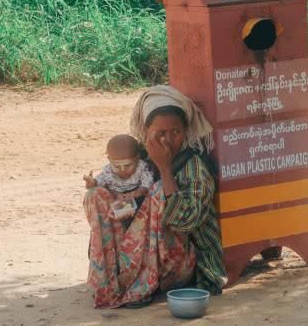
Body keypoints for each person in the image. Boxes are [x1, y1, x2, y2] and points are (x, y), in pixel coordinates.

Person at [83, 85, 227, 309]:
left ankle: (140, 286)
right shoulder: (139, 161)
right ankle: (110, 281)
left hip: (182, 266)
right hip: (137, 255)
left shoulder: (195, 167)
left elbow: (185, 222)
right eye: (160, 133)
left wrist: (165, 169)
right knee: (96, 195)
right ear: (146, 132)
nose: (168, 140)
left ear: (186, 132)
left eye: (176, 132)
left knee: (160, 191)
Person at [83, 134, 153, 227]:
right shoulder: (108, 171)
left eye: (127, 165)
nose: (122, 169)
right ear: (109, 160)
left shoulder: (142, 167)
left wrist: (130, 196)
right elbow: (98, 182)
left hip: (136, 200)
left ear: (137, 159)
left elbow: (146, 186)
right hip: (115, 201)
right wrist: (91, 183)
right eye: (117, 166)